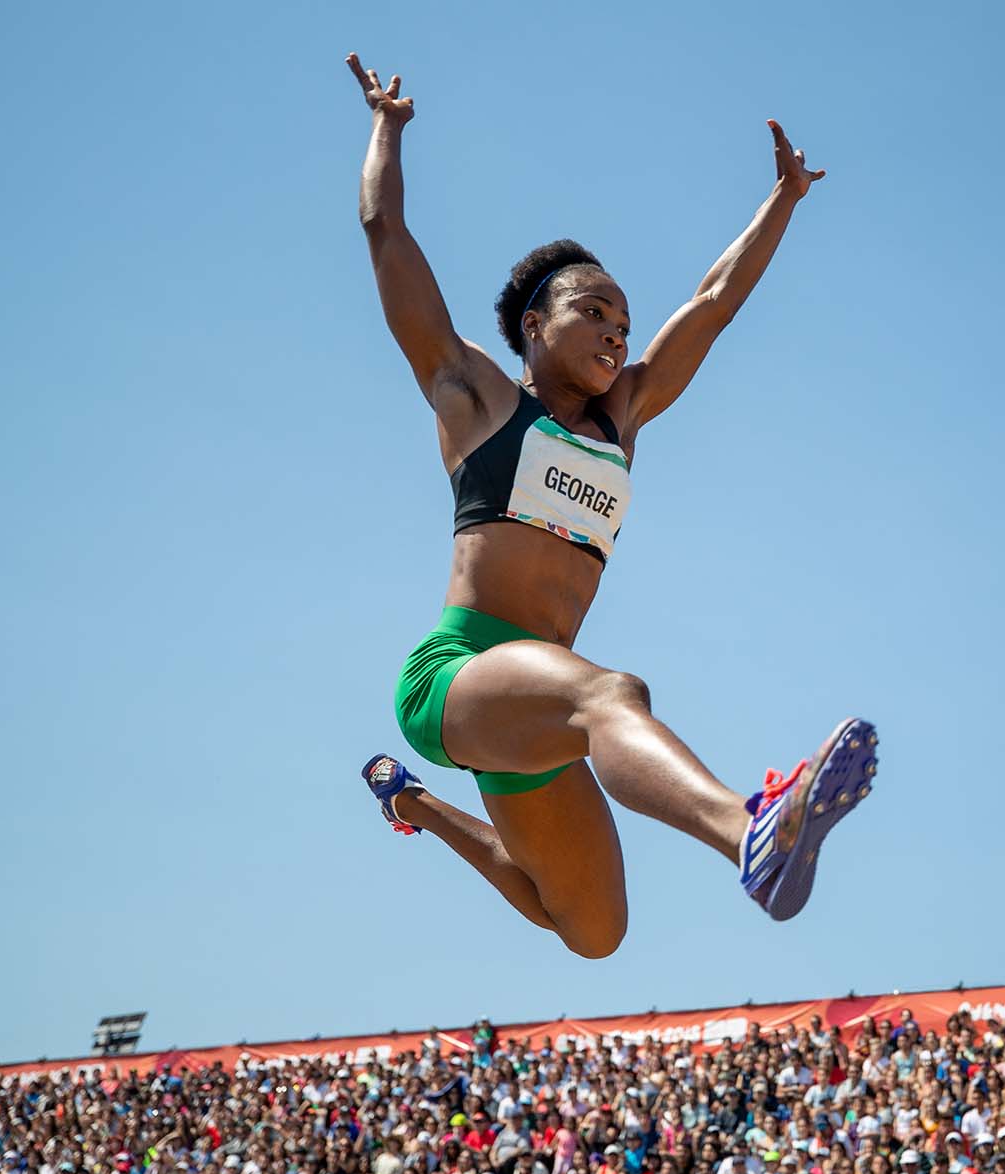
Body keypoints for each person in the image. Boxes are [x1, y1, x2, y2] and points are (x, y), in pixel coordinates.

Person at [345, 52, 877, 958]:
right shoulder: (475, 396)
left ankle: (416, 804)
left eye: (623, 324)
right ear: (533, 327)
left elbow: (712, 303)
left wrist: (782, 202)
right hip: (460, 673)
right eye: (594, 312)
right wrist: (387, 130)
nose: (615, 333)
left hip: (540, 699)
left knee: (594, 931)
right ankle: (751, 829)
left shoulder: (621, 419)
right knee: (613, 693)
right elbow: (385, 235)